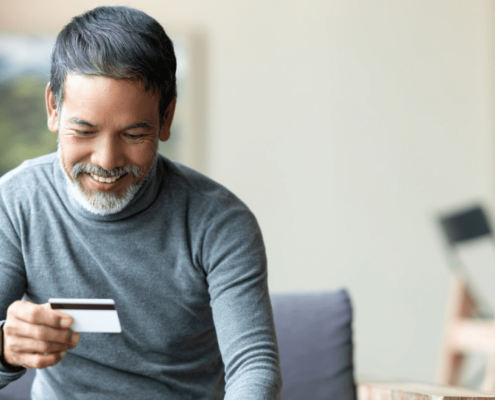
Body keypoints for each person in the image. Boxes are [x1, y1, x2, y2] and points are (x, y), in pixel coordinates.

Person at [0, 6, 282, 399]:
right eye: (84, 131)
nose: (106, 160)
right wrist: (5, 349)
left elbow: (254, 365)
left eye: (133, 135)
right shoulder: (14, 204)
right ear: (53, 108)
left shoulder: (220, 222)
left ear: (166, 119)